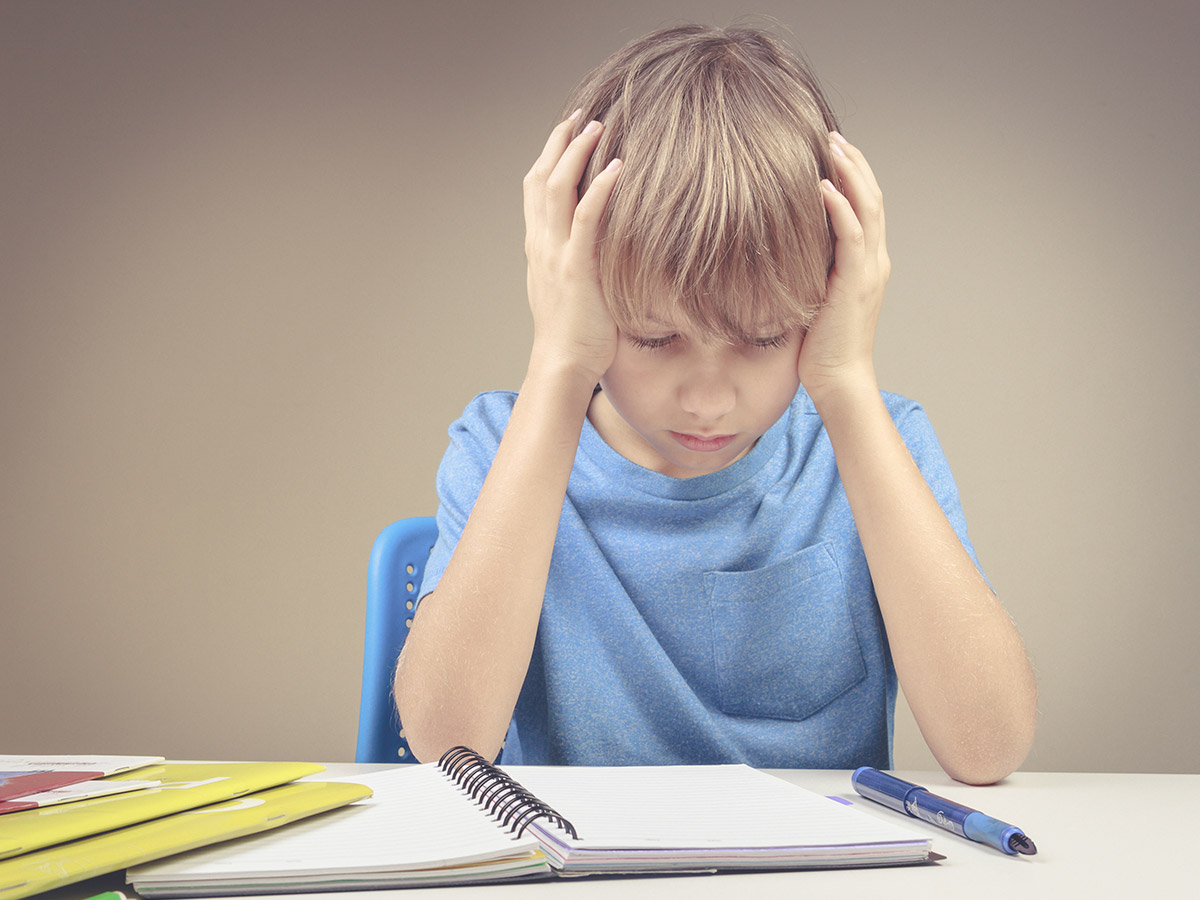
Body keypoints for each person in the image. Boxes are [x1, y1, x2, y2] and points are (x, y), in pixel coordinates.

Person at [395, 24, 1037, 784]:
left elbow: (989, 745)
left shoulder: (878, 446)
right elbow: (445, 741)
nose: (706, 400)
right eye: (654, 336)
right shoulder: (502, 444)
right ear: (577, 288)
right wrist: (560, 362)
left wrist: (848, 383)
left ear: (833, 294)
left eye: (765, 340)